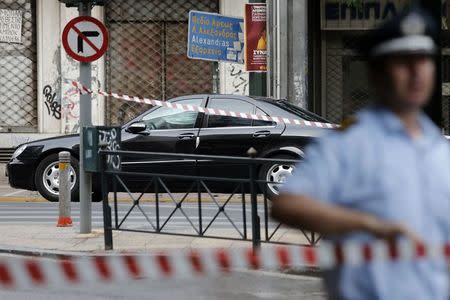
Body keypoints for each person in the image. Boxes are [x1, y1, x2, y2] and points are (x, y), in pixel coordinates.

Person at [271, 7, 450, 300]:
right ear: (377, 73)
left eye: (424, 60)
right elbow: (288, 205)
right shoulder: (348, 145)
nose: (416, 71)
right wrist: (369, 224)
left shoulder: (441, 150)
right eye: (403, 62)